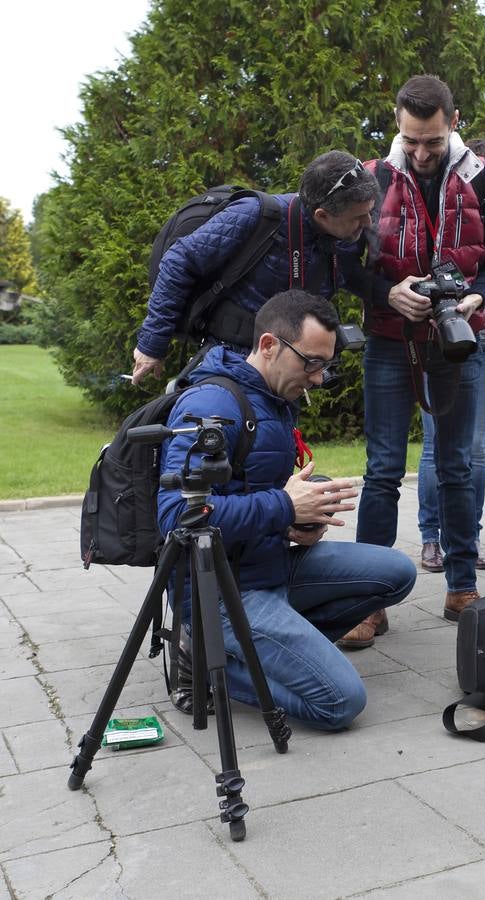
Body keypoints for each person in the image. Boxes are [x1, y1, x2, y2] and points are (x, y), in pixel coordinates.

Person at [157, 291, 417, 730]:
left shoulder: (274, 398)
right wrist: (283, 505)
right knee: (340, 703)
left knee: (397, 571)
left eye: (325, 365)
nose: (318, 378)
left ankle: (275, 646)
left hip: (269, 564)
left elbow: (255, 491)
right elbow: (175, 516)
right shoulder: (212, 405)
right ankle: (202, 661)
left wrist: (300, 519)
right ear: (268, 345)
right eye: (310, 363)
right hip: (223, 591)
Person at [352, 75, 485, 631]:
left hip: (456, 340)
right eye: (412, 140)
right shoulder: (373, 178)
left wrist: (478, 295)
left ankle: (462, 588)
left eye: (433, 142)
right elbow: (348, 265)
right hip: (388, 341)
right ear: (398, 124)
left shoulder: (483, 179)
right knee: (381, 471)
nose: (421, 153)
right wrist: (386, 292)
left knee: (456, 466)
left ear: (454, 122)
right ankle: (365, 600)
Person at [132, 150, 378, 384]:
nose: (367, 223)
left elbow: (350, 275)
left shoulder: (342, 238)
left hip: (287, 370)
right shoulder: (257, 216)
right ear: (322, 215)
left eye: (369, 212)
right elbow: (178, 262)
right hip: (229, 363)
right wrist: (152, 345)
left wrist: (391, 293)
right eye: (358, 217)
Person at [415, 137, 485, 573]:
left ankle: (468, 535)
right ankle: (430, 538)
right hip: (437, 335)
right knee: (434, 446)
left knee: (475, 450)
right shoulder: (443, 203)